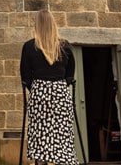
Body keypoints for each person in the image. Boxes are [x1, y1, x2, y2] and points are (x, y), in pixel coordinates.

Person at [20, 9, 78, 165]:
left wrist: (39, 89)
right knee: (62, 135)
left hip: (39, 93)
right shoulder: (65, 46)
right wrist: (57, 86)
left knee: (41, 135)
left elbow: (25, 76)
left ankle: (41, 162)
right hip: (60, 93)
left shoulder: (29, 47)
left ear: (37, 26)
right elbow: (70, 74)